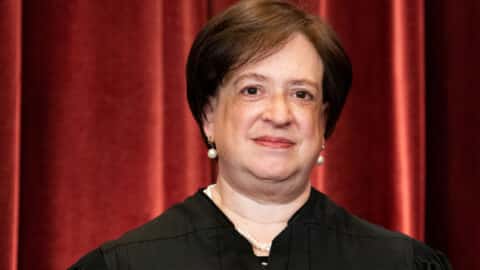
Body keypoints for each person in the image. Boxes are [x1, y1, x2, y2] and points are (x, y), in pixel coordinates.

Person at [69, 0, 452, 269]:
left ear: (323, 125)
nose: (279, 114)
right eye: (252, 90)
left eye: (302, 94)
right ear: (208, 116)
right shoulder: (129, 264)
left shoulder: (398, 263)